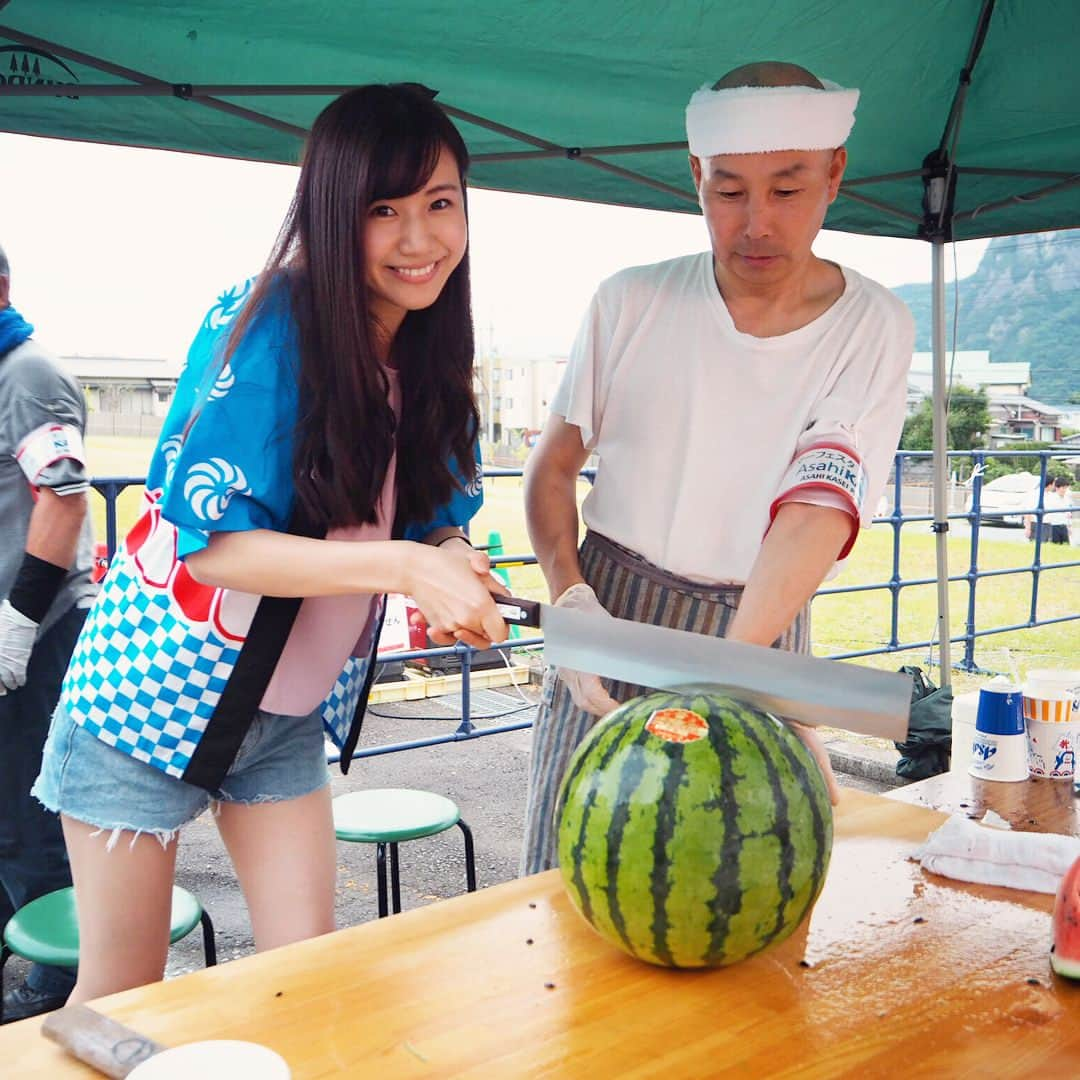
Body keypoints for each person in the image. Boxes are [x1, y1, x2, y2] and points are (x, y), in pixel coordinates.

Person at [32, 84, 508, 1003]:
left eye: (440, 204)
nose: (421, 240)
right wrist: (407, 567)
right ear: (334, 213)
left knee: (307, 979)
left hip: (281, 715)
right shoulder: (265, 320)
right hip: (141, 708)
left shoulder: (431, 353)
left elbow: (431, 515)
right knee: (123, 992)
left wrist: (448, 557)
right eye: (385, 211)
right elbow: (216, 549)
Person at [521, 61, 914, 874]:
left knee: (727, 886)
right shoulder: (630, 300)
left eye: (788, 188)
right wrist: (572, 596)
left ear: (835, 173)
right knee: (572, 873)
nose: (756, 224)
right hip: (613, 610)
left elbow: (818, 507)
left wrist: (737, 668)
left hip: (760, 621)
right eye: (729, 191)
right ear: (695, 174)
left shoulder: (873, 324)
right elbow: (551, 470)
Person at [0, 244, 96, 1021]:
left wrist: (18, 622)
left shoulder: (27, 372)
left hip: (34, 629)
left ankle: (56, 980)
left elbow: (62, 499)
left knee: (30, 812)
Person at [1050, 475, 1073, 545]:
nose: (1065, 490)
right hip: (1054, 526)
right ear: (1057, 488)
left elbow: (1069, 514)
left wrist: (1069, 527)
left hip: (1064, 526)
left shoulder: (1067, 499)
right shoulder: (1051, 498)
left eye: (1066, 488)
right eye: (1063, 488)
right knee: (1055, 547)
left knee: (1066, 547)